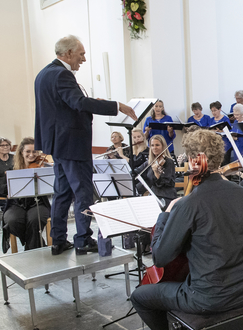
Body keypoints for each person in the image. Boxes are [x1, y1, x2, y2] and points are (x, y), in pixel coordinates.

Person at [130, 129, 243, 330]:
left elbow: (160, 257)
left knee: (141, 296)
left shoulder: (188, 204)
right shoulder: (242, 193)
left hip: (210, 297)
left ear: (193, 161)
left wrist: (166, 215)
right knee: (208, 267)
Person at [34, 35, 136, 256]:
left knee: (62, 192)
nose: (84, 59)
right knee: (83, 192)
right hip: (72, 144)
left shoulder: (43, 74)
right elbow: (77, 103)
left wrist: (92, 104)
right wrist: (116, 105)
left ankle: (58, 240)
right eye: (81, 54)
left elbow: (62, 108)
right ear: (68, 53)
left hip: (58, 145)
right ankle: (83, 239)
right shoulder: (62, 74)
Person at [2, 138, 52, 252]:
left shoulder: (42, 167)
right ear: (21, 152)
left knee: (35, 220)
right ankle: (36, 244)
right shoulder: (12, 169)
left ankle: (31, 252)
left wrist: (45, 173)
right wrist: (13, 184)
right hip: (16, 204)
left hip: (38, 203)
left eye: (34, 151)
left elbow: (52, 186)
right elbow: (3, 188)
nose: (31, 155)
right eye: (28, 151)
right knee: (12, 221)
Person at [135, 135, 177, 209]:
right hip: (153, 195)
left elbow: (164, 183)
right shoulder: (150, 162)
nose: (154, 147)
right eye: (152, 145)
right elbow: (136, 172)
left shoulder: (168, 162)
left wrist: (156, 173)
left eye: (157, 145)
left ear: (163, 146)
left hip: (166, 196)